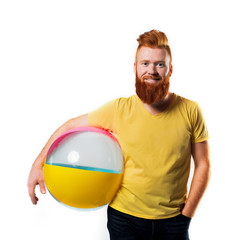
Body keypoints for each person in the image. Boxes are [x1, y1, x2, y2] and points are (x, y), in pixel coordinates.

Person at [27, 29, 211, 240]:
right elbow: (69, 126)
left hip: (173, 222)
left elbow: (203, 164)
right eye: (145, 63)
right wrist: (37, 165)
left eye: (160, 64)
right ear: (135, 67)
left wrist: (186, 215)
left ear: (170, 70)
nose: (151, 70)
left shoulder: (191, 110)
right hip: (125, 220)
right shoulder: (118, 109)